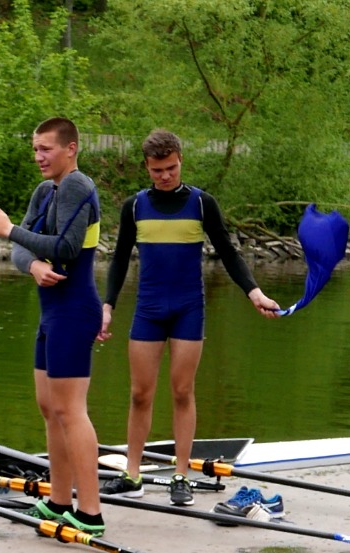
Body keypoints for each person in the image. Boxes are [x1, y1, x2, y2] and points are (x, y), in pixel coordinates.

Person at [97, 129, 280, 506]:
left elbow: (228, 253)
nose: (165, 175)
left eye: (171, 167)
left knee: (182, 391)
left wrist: (255, 293)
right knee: (139, 394)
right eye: (157, 170)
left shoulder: (201, 203)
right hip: (149, 310)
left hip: (187, 309)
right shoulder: (134, 207)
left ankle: (181, 475)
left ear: (180, 160)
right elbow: (119, 259)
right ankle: (132, 475)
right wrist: (107, 305)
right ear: (147, 167)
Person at [0, 117, 106, 536]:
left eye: (46, 149)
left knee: (71, 410)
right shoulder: (44, 191)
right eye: (35, 148)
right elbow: (20, 251)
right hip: (52, 313)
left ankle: (91, 512)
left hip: (75, 309)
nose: (38, 156)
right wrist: (32, 264)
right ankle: (59, 500)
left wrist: (10, 230)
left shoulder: (77, 186)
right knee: (50, 408)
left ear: (70, 148)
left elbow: (67, 248)